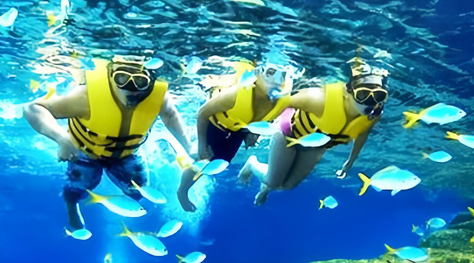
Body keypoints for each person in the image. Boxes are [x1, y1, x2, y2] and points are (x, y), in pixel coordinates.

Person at [23, 57, 192, 230]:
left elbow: (171, 116)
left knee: (139, 191)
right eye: (122, 78)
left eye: (140, 81)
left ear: (150, 80)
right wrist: (61, 138)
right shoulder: (87, 95)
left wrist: (190, 148)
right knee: (76, 188)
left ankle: (126, 210)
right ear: (110, 76)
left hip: (128, 152)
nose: (131, 88)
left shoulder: (159, 97)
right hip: (85, 150)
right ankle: (72, 206)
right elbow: (32, 108)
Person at [239, 59, 388, 205]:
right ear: (348, 93)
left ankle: (265, 188)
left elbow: (362, 134)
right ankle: (252, 164)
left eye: (378, 96)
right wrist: (256, 128)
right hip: (290, 132)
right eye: (363, 94)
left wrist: (349, 162)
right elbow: (281, 101)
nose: (371, 102)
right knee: (273, 182)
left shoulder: (371, 116)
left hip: (316, 143)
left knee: (288, 186)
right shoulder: (319, 100)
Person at [176, 58, 295, 212]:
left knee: (222, 162)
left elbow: (266, 119)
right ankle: (182, 192)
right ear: (257, 75)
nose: (278, 81)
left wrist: (253, 134)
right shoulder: (234, 95)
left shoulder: (281, 100)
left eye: (283, 75)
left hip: (240, 128)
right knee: (205, 159)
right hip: (216, 123)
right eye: (270, 73)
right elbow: (202, 114)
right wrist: (202, 146)